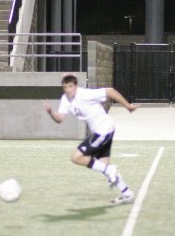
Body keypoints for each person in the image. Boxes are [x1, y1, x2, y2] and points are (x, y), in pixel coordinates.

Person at [44, 73, 139, 205]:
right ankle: (127, 193)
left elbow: (110, 91)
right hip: (102, 131)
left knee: (76, 157)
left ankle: (111, 171)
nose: (67, 89)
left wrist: (127, 106)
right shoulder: (65, 99)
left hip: (103, 130)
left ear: (76, 86)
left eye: (70, 86)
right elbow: (60, 118)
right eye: (65, 87)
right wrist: (50, 112)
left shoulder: (85, 94)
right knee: (103, 167)